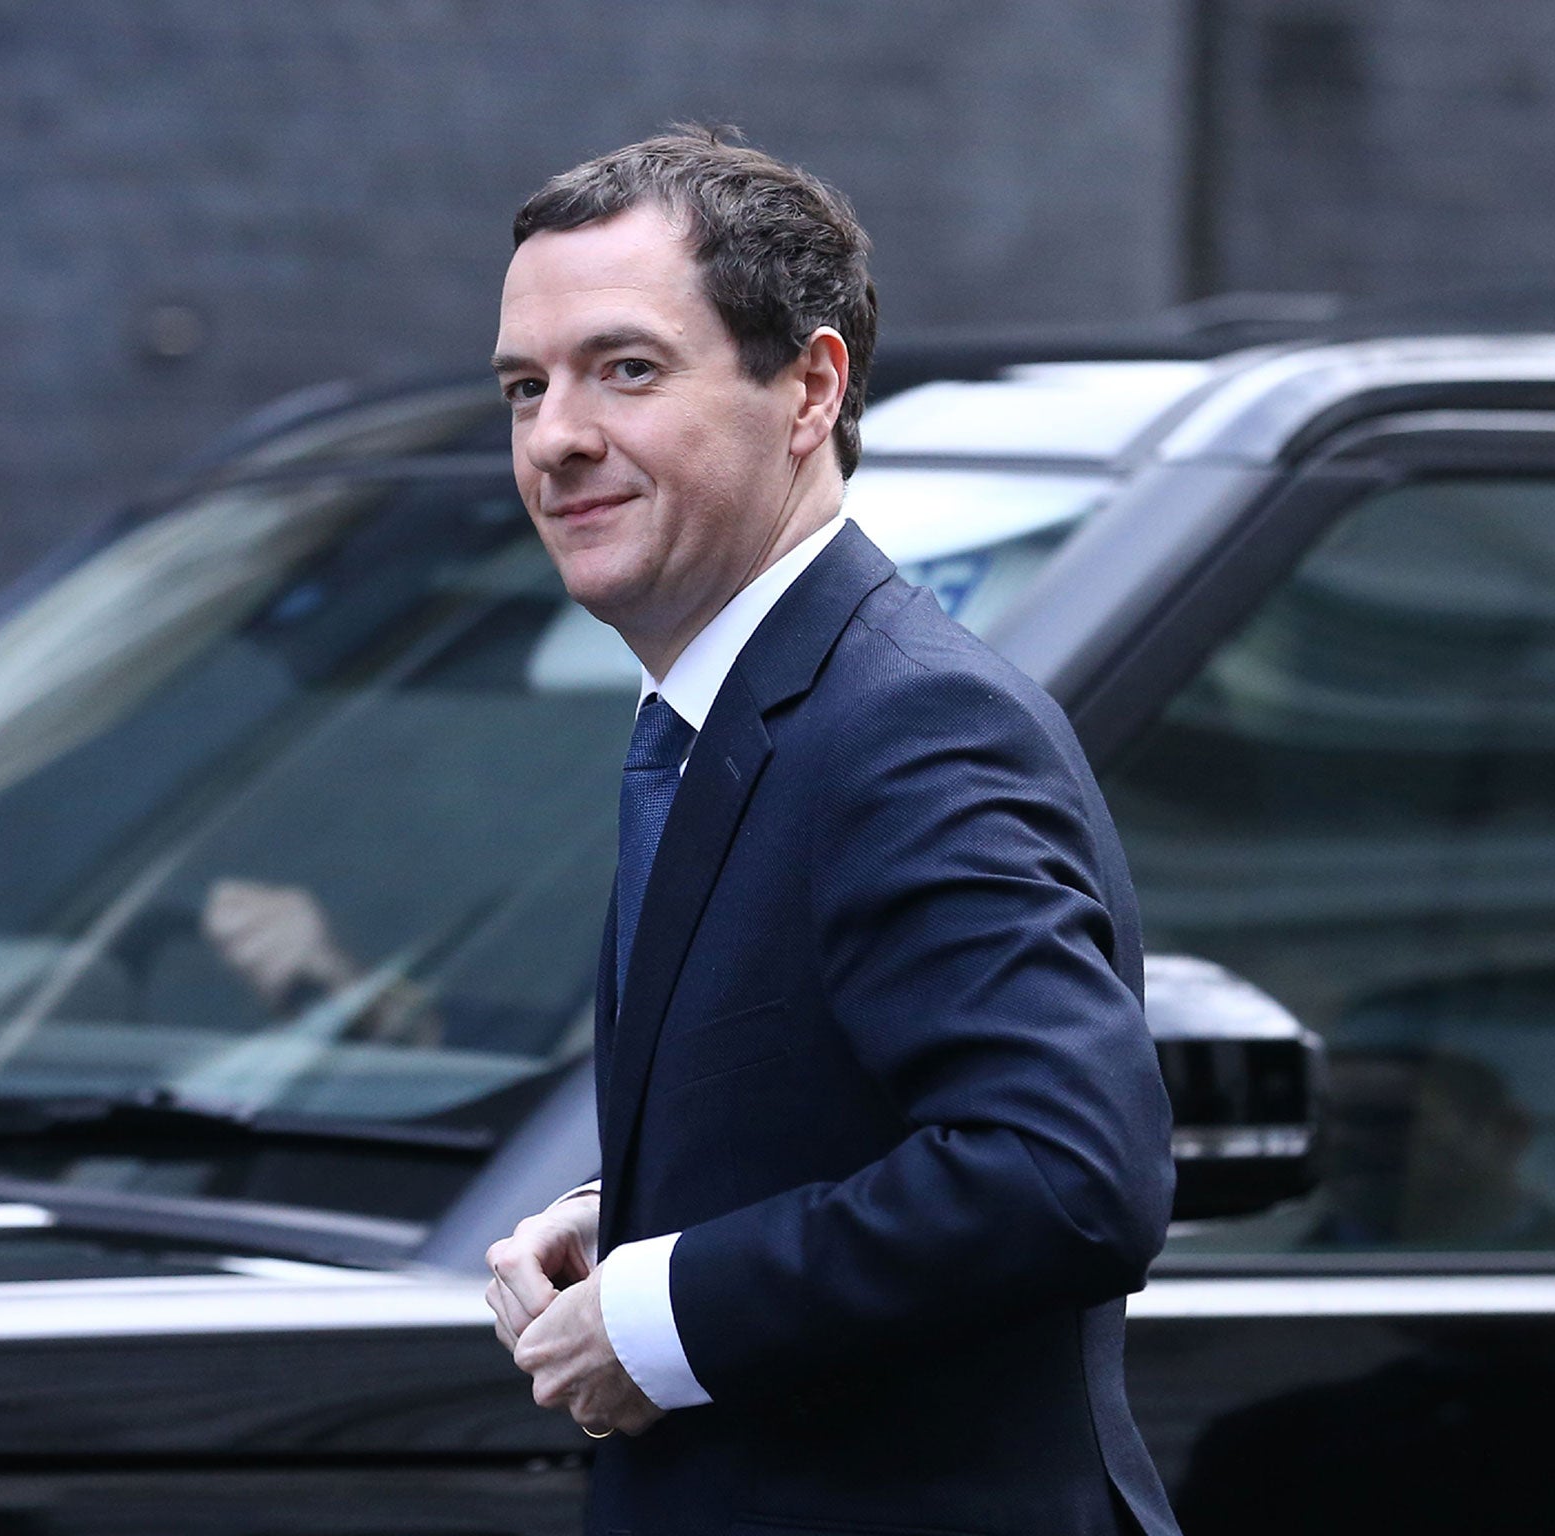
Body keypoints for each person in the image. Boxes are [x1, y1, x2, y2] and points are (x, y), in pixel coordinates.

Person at [482, 128, 1181, 1536]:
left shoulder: (906, 725)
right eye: (524, 386)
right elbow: (854, 1094)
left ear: (809, 387)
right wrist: (639, 1216)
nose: (555, 435)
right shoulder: (738, 713)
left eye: (624, 368)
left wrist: (668, 1312)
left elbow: (1064, 1172)